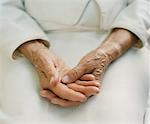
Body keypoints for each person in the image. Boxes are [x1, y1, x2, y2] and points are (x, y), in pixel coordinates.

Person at [0, 0, 149, 124]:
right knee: (25, 116)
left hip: (121, 39)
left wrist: (110, 51)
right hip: (25, 39)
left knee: (115, 115)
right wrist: (36, 53)